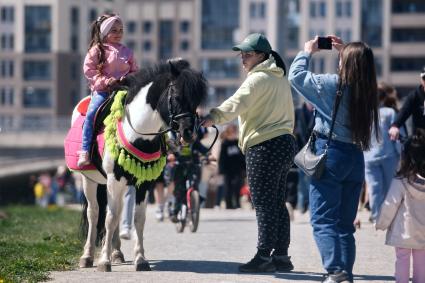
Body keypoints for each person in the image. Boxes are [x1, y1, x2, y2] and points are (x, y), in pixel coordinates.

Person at [288, 37, 379, 283]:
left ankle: (335, 271)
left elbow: (296, 77)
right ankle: (344, 274)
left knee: (323, 219)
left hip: (330, 154)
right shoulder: (368, 92)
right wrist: (346, 52)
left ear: (346, 63)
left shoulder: (332, 84)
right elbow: (358, 69)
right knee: (345, 224)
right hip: (355, 157)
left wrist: (307, 51)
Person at [203, 33, 296, 273]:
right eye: (241, 53)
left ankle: (264, 256)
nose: (243, 58)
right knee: (276, 202)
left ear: (262, 56)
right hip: (285, 143)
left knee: (263, 202)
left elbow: (236, 103)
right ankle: (282, 256)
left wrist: (211, 117)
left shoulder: (257, 80)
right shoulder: (279, 78)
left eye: (248, 54)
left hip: (264, 145)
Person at [78, 13, 138, 167]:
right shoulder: (97, 50)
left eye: (121, 30)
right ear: (104, 32)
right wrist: (106, 81)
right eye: (114, 30)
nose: (118, 34)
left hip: (125, 91)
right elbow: (89, 71)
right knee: (92, 114)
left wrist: (129, 79)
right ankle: (85, 149)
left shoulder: (127, 52)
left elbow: (135, 70)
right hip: (103, 91)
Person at [375, 129, 425, 283]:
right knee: (421, 262)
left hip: (403, 230)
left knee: (402, 259)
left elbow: (391, 204)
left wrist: (381, 223)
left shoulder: (401, 180)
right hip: (423, 232)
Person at [364, 82, 404, 223]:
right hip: (386, 155)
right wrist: (401, 154)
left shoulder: (366, 113)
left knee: (378, 188)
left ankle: (379, 217)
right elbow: (398, 135)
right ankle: (383, 217)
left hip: (372, 156)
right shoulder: (388, 112)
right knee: (384, 188)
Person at [388, 66, 425, 141]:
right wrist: (395, 126)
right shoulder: (415, 96)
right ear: (421, 79)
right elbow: (404, 111)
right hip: (420, 142)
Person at [218, 124, 245, 209]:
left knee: (238, 186)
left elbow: (242, 156)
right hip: (228, 169)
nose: (233, 133)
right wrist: (221, 169)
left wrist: (244, 168)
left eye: (234, 131)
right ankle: (228, 204)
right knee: (228, 187)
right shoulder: (225, 143)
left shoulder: (238, 142)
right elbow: (222, 157)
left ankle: (237, 203)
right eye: (232, 131)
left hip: (238, 169)